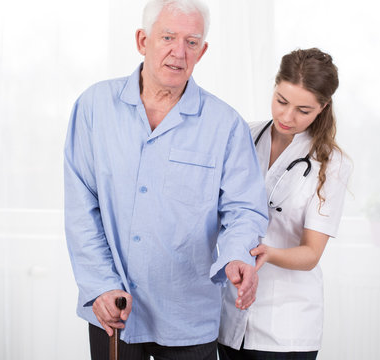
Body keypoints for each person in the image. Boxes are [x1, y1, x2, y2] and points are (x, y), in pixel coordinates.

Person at [63, 1, 269, 359]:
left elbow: (244, 209)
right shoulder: (94, 107)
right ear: (142, 40)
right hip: (115, 310)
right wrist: (100, 286)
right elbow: (82, 208)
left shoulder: (225, 125)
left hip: (188, 317)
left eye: (191, 42)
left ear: (202, 51)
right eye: (168, 37)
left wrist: (237, 255)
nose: (179, 52)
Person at [218, 48, 352, 360]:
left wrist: (270, 253)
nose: (287, 117)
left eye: (303, 110)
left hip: (286, 327)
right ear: (275, 86)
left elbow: (310, 254)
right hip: (230, 316)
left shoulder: (331, 163)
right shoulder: (245, 136)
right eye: (281, 101)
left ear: (323, 107)